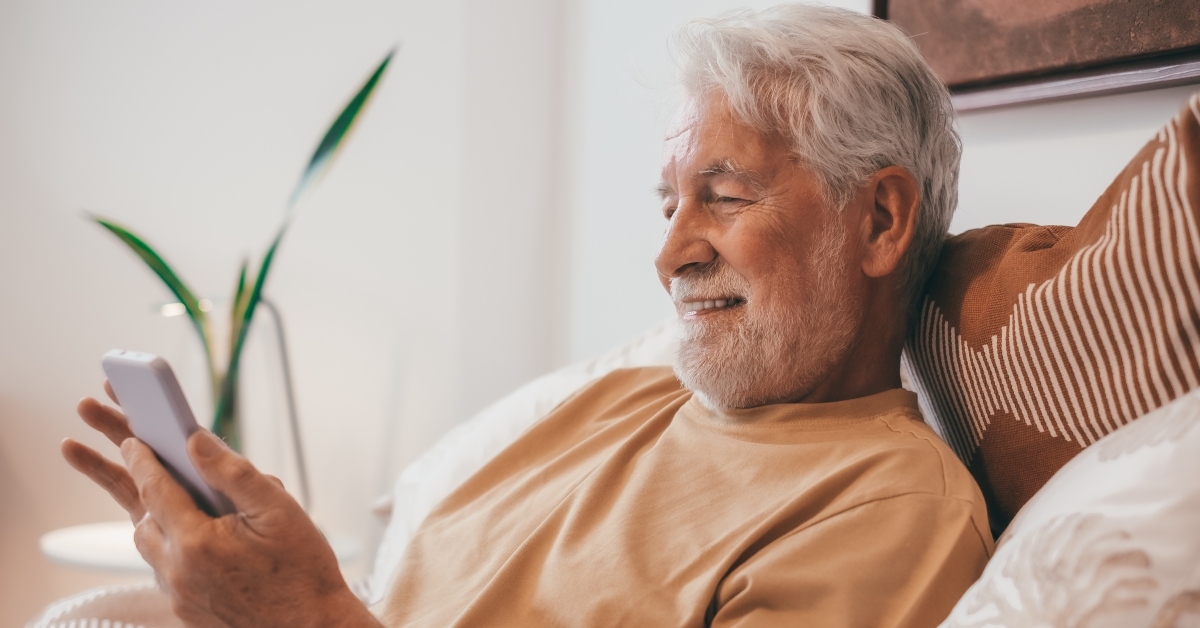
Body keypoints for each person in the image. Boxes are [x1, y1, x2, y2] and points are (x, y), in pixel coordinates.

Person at [63, 5, 992, 627]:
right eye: (669, 204)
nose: (670, 254)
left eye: (726, 195)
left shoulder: (889, 510)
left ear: (878, 221)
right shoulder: (634, 391)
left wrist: (304, 614)